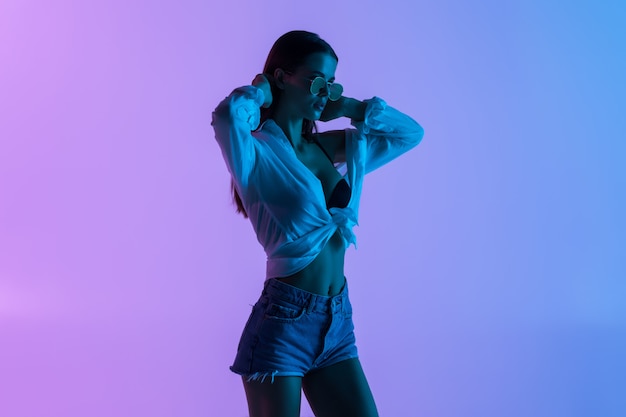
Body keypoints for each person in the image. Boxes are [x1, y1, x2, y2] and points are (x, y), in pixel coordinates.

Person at [212, 30, 424, 417]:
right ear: (280, 77)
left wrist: (349, 106)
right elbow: (226, 117)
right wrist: (258, 94)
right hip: (282, 324)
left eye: (330, 82)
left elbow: (410, 134)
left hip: (338, 321)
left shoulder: (332, 147)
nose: (323, 91)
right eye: (315, 80)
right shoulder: (255, 151)